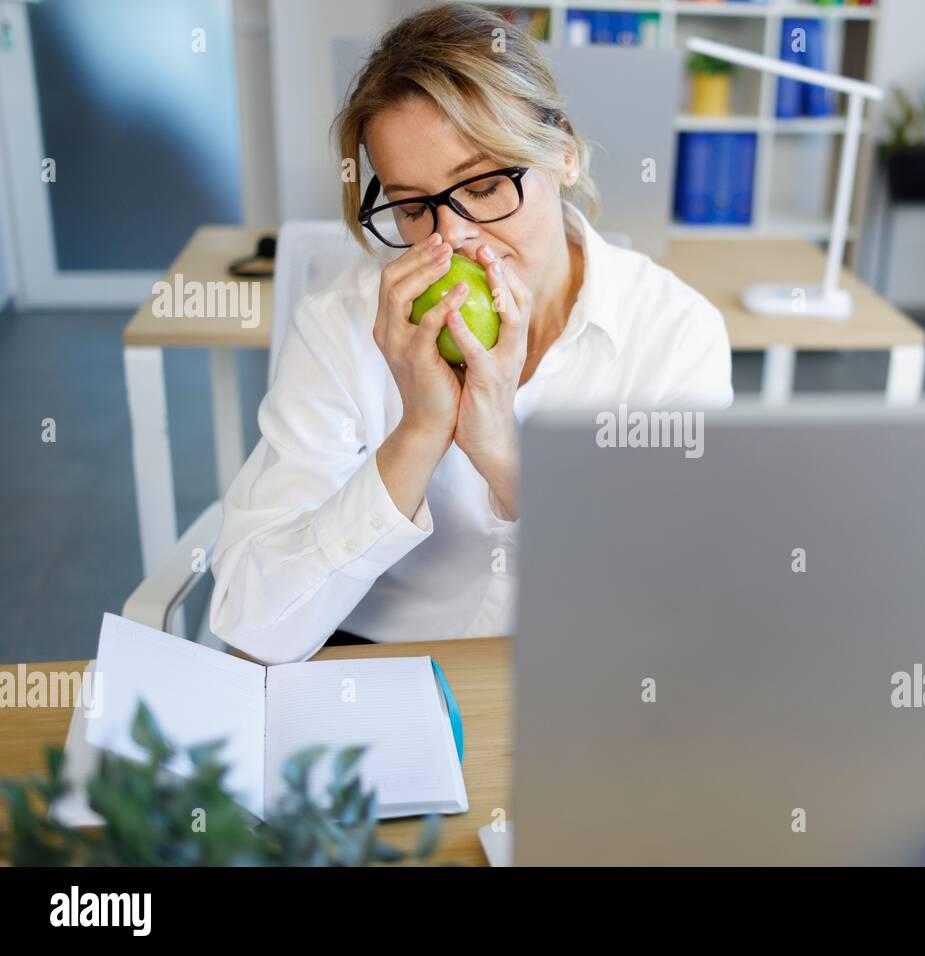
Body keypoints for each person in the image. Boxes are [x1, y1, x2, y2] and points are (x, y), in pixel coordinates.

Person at [209, 3, 733, 664]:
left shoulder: (672, 333)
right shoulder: (339, 323)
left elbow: (660, 609)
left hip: (571, 666)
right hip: (370, 664)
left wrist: (500, 453)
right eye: (411, 206)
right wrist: (419, 432)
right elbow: (254, 625)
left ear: (564, 154)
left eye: (484, 185)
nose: (450, 238)